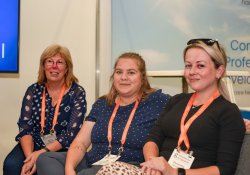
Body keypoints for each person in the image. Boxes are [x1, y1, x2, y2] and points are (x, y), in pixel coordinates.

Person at [36, 52, 171, 175]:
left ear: (142, 77)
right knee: (46, 158)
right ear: (113, 76)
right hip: (93, 161)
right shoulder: (102, 103)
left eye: (131, 72)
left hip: (125, 166)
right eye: (119, 72)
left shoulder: (157, 101)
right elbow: (81, 143)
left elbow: (184, 113)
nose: (124, 77)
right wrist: (69, 169)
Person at [141, 39, 246, 175]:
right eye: (188, 65)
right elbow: (152, 139)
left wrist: (174, 172)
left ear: (219, 71)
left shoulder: (228, 112)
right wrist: (153, 163)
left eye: (200, 66)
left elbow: (224, 170)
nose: (192, 72)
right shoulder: (176, 101)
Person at [3, 44, 87, 175]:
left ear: (67, 68)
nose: (54, 66)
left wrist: (41, 154)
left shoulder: (77, 92)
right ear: (43, 66)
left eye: (60, 62)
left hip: (61, 146)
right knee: (11, 165)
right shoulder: (33, 90)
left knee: (46, 166)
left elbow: (72, 133)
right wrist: (30, 157)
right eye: (49, 61)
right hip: (33, 143)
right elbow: (25, 127)